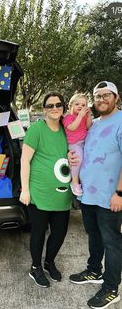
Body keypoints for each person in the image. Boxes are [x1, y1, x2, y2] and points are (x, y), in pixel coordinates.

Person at [68, 81, 122, 309]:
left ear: (116, 98)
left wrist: (120, 192)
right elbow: (83, 148)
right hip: (89, 194)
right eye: (97, 96)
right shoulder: (95, 124)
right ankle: (94, 270)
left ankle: (111, 288)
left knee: (112, 242)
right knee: (94, 235)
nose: (101, 99)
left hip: (111, 195)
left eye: (106, 95)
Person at [20, 91, 72, 288]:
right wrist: (25, 190)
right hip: (39, 194)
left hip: (62, 195)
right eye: (50, 105)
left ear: (63, 107)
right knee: (39, 233)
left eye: (58, 104)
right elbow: (25, 160)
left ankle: (49, 262)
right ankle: (35, 267)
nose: (54, 108)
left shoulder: (67, 130)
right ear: (44, 109)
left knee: (59, 233)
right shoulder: (36, 129)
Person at [62, 94, 92, 196]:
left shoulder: (83, 117)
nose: (80, 106)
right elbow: (72, 128)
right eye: (77, 104)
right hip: (74, 144)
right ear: (71, 106)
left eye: (83, 105)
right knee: (77, 160)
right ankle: (74, 182)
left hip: (84, 143)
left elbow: (88, 127)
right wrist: (79, 116)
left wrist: (88, 116)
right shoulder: (68, 117)